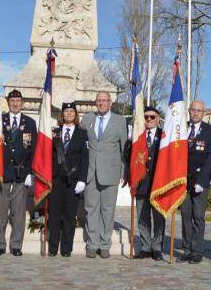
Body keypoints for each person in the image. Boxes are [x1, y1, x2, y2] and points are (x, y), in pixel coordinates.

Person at [81, 91, 128, 258]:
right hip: (90, 171)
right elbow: (81, 143)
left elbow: (125, 149)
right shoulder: (87, 119)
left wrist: (124, 172)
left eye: (104, 100)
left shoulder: (120, 121)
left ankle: (105, 243)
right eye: (99, 100)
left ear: (110, 103)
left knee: (107, 210)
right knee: (91, 208)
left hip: (111, 171)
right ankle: (92, 243)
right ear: (95, 103)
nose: (101, 103)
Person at [0, 89, 37, 257]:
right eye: (12, 101)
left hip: (22, 171)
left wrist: (30, 172)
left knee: (18, 211)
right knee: (1, 209)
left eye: (18, 101)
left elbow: (33, 149)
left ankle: (16, 244)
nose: (15, 104)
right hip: (2, 170)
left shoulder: (30, 123)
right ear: (8, 103)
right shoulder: (0, 120)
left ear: (22, 103)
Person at [47, 102, 89, 257]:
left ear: (76, 115)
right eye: (66, 111)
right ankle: (52, 247)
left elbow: (85, 158)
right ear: (62, 114)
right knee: (55, 214)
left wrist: (82, 180)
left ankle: (66, 249)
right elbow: (47, 156)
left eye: (72, 111)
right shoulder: (54, 132)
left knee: (70, 216)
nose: (69, 114)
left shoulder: (82, 134)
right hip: (56, 179)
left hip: (74, 180)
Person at [179, 100, 211, 264]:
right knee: (186, 215)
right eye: (193, 110)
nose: (195, 113)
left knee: (198, 216)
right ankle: (186, 249)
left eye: (199, 111)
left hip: (200, 179)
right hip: (183, 179)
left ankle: (197, 251)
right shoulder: (181, 128)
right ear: (189, 111)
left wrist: (202, 180)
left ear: (204, 113)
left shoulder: (210, 131)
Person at [132, 105, 164, 261]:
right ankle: (145, 247)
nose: (149, 119)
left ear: (158, 119)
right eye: (146, 117)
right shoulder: (137, 135)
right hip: (141, 182)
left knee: (159, 217)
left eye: (152, 117)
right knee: (142, 217)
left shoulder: (164, 136)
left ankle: (157, 247)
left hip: (159, 182)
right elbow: (128, 156)